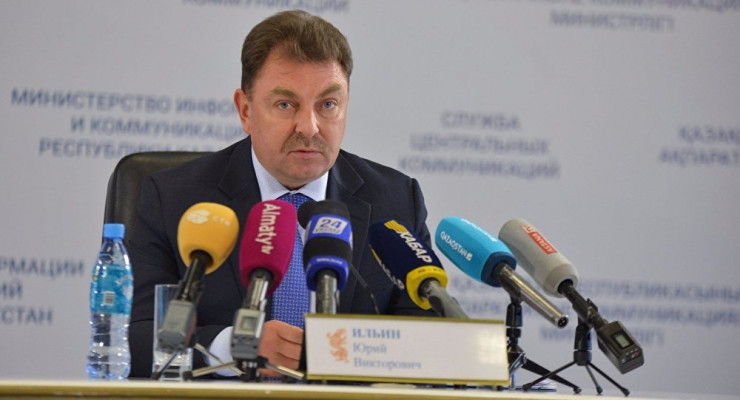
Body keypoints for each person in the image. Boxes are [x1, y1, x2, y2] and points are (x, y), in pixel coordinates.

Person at [127, 9, 435, 379]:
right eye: (285, 104)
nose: (309, 127)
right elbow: (134, 338)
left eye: (328, 104)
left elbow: (428, 339)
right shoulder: (175, 198)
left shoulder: (395, 200)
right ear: (245, 110)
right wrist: (234, 346)